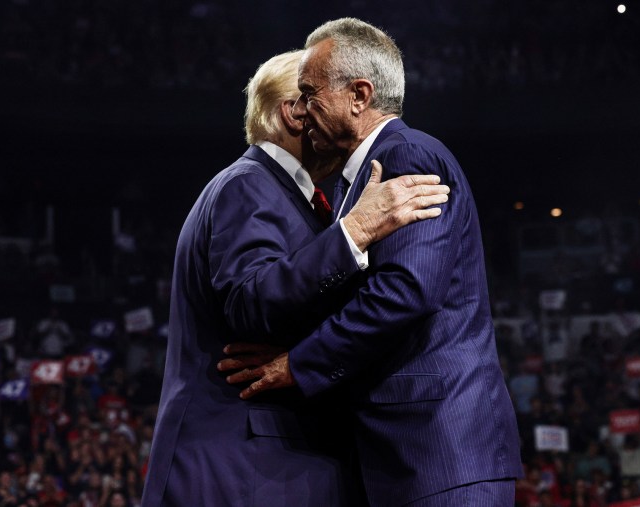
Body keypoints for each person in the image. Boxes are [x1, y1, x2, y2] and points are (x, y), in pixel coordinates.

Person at [223, 18, 523, 506]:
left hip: (440, 452)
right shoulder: (352, 183)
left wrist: (298, 364)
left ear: (359, 95)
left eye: (309, 93)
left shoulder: (410, 155)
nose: (300, 110)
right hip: (403, 453)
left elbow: (404, 291)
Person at [140, 49, 450, 506]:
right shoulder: (246, 185)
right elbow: (252, 301)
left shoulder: (286, 197)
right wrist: (356, 230)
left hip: (266, 464)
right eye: (320, 97)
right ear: (294, 112)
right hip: (241, 467)